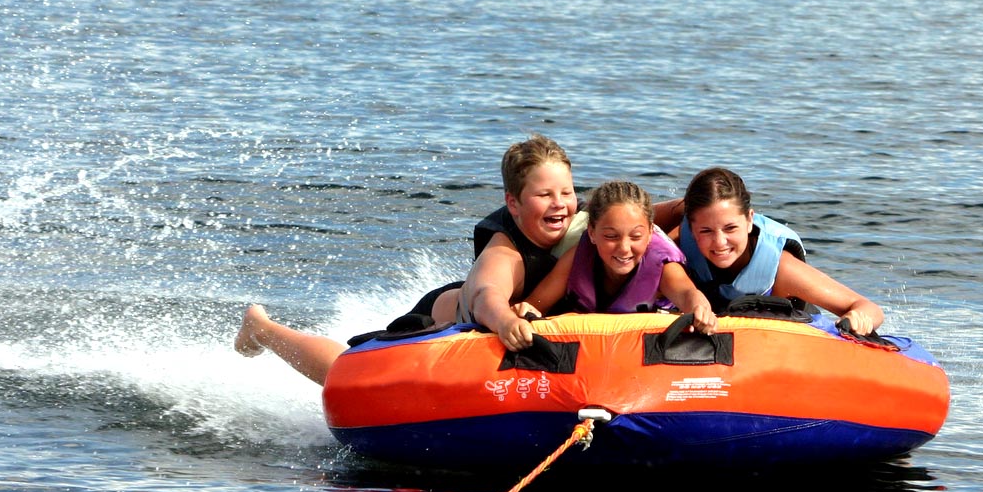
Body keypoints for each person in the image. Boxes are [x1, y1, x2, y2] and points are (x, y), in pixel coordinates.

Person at [234, 134, 582, 383]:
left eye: (566, 192)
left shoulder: (582, 229)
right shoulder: (505, 253)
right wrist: (506, 322)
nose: (559, 203)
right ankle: (263, 328)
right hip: (432, 328)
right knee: (346, 375)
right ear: (513, 204)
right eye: (544, 194)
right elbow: (485, 296)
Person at [675, 166, 884, 335]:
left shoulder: (781, 268)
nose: (719, 242)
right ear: (691, 228)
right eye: (706, 231)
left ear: (749, 220)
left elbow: (868, 307)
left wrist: (858, 318)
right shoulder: (675, 242)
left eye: (730, 228)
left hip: (783, 333)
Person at [512, 180, 717, 336]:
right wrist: (525, 310)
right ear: (592, 233)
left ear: (650, 234)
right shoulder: (577, 258)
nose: (624, 248)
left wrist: (700, 309)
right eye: (611, 236)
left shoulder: (663, 265)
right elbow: (536, 304)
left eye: (636, 236)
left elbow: (687, 293)